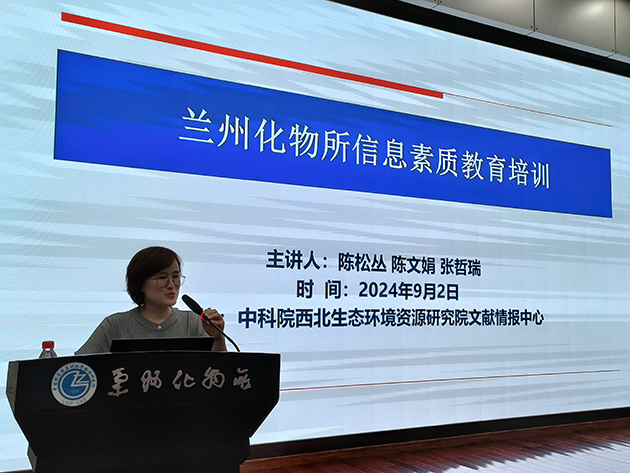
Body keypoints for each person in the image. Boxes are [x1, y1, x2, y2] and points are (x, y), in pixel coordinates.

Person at [75, 246, 226, 354]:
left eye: (175, 277)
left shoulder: (193, 322)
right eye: (162, 278)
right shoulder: (115, 325)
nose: (171, 285)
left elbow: (219, 372)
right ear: (140, 284)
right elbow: (79, 367)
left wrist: (218, 337)